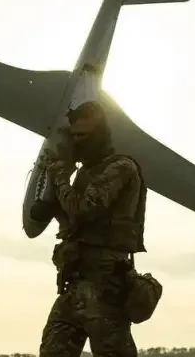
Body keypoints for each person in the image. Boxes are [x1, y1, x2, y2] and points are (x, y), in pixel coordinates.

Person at [31, 101, 149, 357]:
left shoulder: (120, 168)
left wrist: (61, 176)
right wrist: (50, 198)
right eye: (73, 136)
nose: (77, 142)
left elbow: (84, 209)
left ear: (99, 134)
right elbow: (70, 221)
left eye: (82, 136)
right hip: (74, 281)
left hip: (105, 285)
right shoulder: (84, 174)